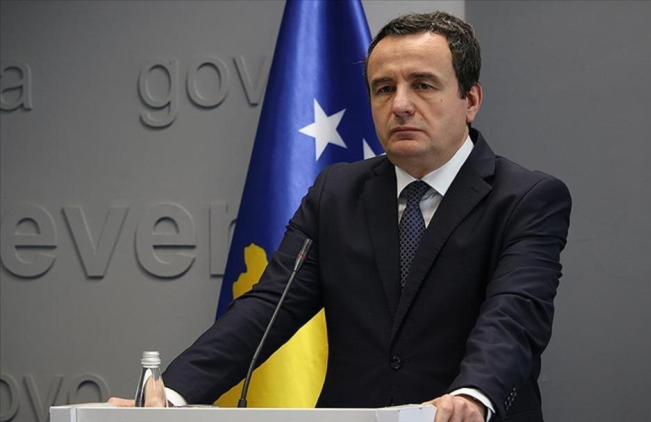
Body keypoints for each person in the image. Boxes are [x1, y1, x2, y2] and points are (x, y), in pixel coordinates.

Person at [111, 11, 571, 422]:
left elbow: (514, 315)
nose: (400, 104)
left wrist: (473, 394)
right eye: (384, 88)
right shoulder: (337, 192)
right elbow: (268, 307)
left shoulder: (526, 198)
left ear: (470, 100)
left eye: (423, 85)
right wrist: (170, 396)